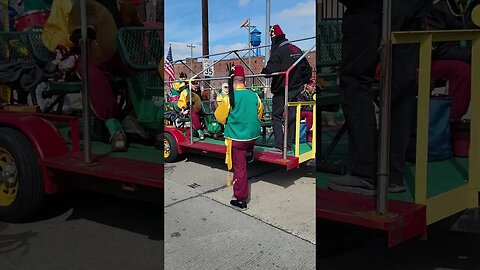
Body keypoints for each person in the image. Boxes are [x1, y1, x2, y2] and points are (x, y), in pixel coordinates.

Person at [328, 0, 433, 195]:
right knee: (402, 88)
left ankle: (365, 172)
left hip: (369, 9)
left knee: (355, 82)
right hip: (412, 11)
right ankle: (393, 175)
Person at [42, 0, 142, 152]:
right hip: (81, 53)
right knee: (91, 70)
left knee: (140, 64)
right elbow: (53, 32)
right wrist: (72, 38)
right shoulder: (63, 2)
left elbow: (131, 23)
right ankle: (113, 126)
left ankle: (144, 119)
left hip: (114, 49)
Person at [214, 65, 263, 209]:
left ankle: (241, 199)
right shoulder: (254, 95)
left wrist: (229, 122)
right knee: (245, 158)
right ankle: (250, 154)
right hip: (252, 136)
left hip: (237, 139)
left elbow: (219, 116)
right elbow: (259, 113)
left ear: (232, 81)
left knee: (240, 169)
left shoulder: (229, 97)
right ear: (244, 81)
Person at [261, 24, 312, 154]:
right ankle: (288, 146)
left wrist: (265, 71)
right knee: (291, 117)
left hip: (282, 89)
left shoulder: (278, 51)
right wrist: (303, 82)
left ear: (274, 38)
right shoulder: (297, 49)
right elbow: (308, 69)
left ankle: (279, 145)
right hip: (296, 89)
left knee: (276, 116)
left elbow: (270, 70)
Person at [428, 0, 479, 121]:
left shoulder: (475, 6)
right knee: (462, 70)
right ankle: (451, 119)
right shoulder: (437, 7)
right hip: (432, 58)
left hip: (465, 55)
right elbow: (436, 48)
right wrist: (471, 54)